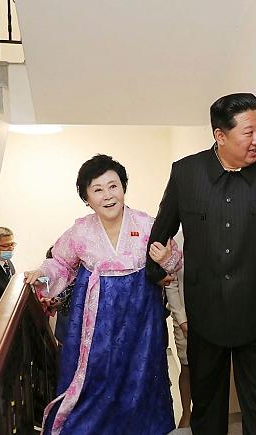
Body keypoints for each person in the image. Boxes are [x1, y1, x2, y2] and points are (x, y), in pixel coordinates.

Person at [146, 93, 256, 435]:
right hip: (206, 313)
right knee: (207, 404)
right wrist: (157, 273)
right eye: (248, 133)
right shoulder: (186, 173)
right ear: (220, 136)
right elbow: (161, 231)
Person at [24, 154, 181, 435]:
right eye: (97, 189)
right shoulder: (80, 232)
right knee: (94, 381)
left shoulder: (147, 225)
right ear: (87, 198)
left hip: (141, 321)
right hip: (94, 324)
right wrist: (42, 275)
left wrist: (166, 259)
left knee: (140, 378)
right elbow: (60, 264)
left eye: (113, 186)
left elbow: (175, 262)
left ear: (123, 188)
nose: (108, 195)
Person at [160, 231, 191, 428]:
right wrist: (182, 320)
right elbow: (171, 284)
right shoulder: (175, 241)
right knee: (187, 367)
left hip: (212, 318)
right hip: (183, 319)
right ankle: (186, 413)